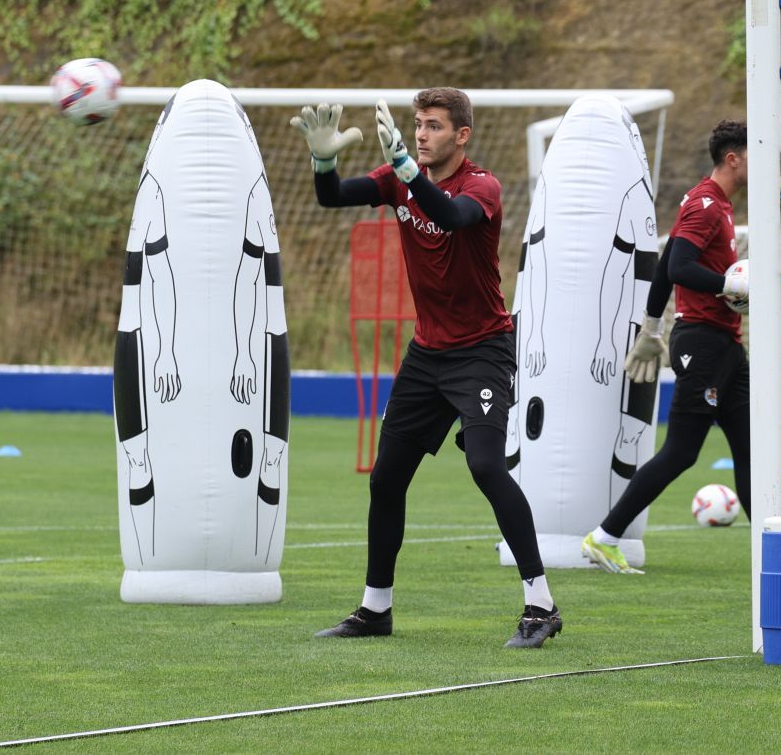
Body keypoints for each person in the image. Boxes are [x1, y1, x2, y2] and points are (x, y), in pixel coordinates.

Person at [290, 90, 561, 647]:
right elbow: (332, 197)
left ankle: (541, 606)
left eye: (433, 126)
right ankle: (374, 610)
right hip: (427, 354)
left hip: (482, 351)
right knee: (387, 478)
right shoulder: (399, 177)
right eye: (417, 125)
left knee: (486, 466)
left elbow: (449, 213)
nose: (420, 134)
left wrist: (409, 171)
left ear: (462, 136)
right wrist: (324, 161)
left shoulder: (480, 187)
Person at [582, 119, 752, 573]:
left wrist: (651, 328)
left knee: (751, 447)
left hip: (724, 343)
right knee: (681, 450)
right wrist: (733, 286)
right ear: (733, 158)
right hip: (704, 341)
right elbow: (678, 266)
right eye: (754, 151)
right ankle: (604, 536)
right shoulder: (705, 205)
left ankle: (771, 550)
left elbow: (663, 266)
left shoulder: (715, 204)